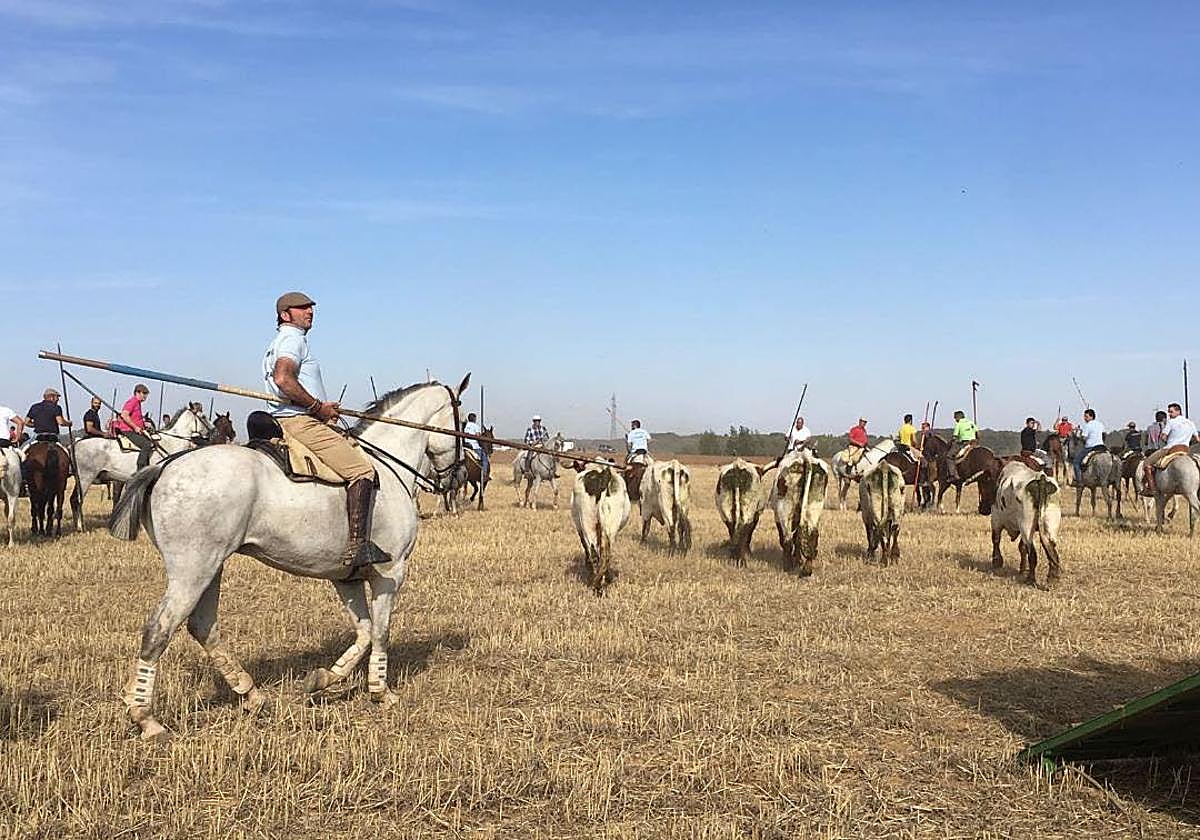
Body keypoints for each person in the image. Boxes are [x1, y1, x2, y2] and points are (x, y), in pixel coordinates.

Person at [263, 291, 389, 573]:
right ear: (285, 315)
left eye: (310, 307)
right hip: (301, 422)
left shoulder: (278, 342)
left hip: (293, 417)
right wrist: (317, 407)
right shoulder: (293, 339)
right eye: (302, 308)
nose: (310, 311)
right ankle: (357, 545)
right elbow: (283, 378)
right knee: (361, 470)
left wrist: (322, 408)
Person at [1144, 403, 1198, 491]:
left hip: (1170, 448)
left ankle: (1151, 488)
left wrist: (1168, 439)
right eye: (1169, 412)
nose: (1169, 414)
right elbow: (1197, 439)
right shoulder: (1191, 423)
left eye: (1171, 412)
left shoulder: (1171, 422)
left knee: (1147, 463)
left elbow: (1163, 436)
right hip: (1186, 449)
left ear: (1178, 411)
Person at [112, 384, 155, 469]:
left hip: (133, 430)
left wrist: (144, 424)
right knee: (146, 444)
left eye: (146, 394)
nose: (146, 396)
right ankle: (141, 468)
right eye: (144, 393)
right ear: (137, 393)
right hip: (128, 430)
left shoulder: (138, 403)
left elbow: (135, 418)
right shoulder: (133, 401)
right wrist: (135, 427)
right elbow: (124, 415)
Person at [1072, 408, 1106, 484]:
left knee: (1076, 463)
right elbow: (1104, 435)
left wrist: (1079, 436)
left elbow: (1084, 437)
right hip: (1101, 446)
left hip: (1090, 447)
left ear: (1091, 417)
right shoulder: (1100, 424)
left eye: (1086, 416)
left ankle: (1079, 481)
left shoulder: (1088, 425)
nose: (1084, 418)